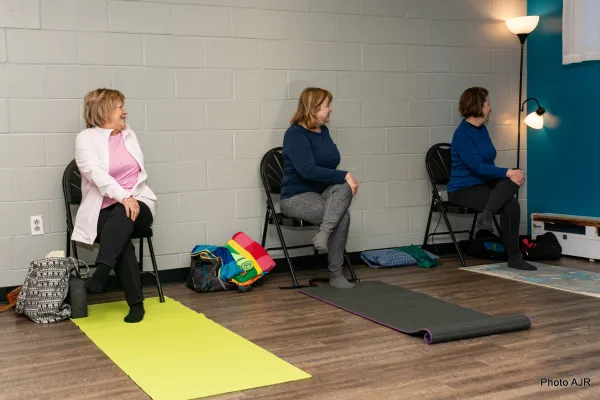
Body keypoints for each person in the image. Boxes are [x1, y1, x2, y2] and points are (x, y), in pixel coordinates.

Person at [71, 88, 158, 322]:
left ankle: (101, 273)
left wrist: (129, 199)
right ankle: (136, 305)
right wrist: (122, 197)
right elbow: (95, 174)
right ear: (104, 110)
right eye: (120, 107)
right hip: (102, 210)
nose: (125, 111)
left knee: (123, 216)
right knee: (121, 237)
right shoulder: (85, 139)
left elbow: (137, 174)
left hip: (140, 204)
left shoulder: (129, 135)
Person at [447, 86, 536, 271]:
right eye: (488, 103)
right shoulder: (462, 134)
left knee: (515, 180)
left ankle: (488, 218)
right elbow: (477, 167)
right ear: (478, 106)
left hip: (483, 183)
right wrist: (507, 172)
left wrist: (511, 174)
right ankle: (511, 252)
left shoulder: (482, 130)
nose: (490, 108)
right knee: (510, 200)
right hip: (462, 189)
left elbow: (489, 166)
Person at [280, 87, 359, 289]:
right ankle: (335, 275)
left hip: (323, 192)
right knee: (344, 215)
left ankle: (323, 233)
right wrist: (344, 174)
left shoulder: (323, 131)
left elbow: (330, 163)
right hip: (295, 198)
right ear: (314, 108)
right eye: (327, 105)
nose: (331, 109)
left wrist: (343, 178)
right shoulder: (295, 134)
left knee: (343, 187)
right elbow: (307, 170)